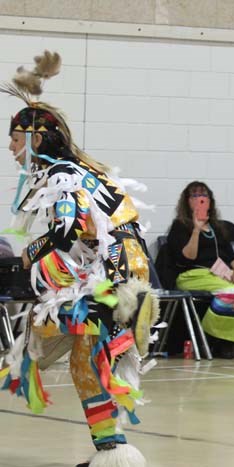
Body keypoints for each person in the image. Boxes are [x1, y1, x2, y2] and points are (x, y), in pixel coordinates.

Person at [0, 51, 157, 467]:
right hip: (127, 267)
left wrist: (33, 254)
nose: (10, 148)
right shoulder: (85, 168)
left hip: (110, 273)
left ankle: (114, 453)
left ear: (35, 139)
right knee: (85, 358)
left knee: (81, 359)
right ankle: (113, 449)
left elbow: (66, 226)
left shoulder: (60, 173)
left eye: (15, 140)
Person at [166, 181, 234, 352]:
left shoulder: (218, 227)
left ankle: (229, 339)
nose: (200, 198)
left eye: (204, 194)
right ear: (187, 201)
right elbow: (187, 258)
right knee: (230, 291)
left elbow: (231, 256)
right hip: (192, 275)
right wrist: (196, 230)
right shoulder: (179, 226)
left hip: (221, 274)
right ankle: (214, 336)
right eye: (194, 195)